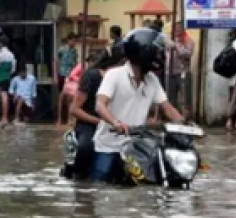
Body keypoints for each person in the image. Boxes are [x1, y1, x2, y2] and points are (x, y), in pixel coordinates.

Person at [91, 28, 187, 183]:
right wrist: (116, 123)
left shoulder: (152, 80)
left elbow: (167, 107)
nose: (161, 55)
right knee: (100, 185)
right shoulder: (114, 75)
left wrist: (185, 126)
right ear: (144, 51)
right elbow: (100, 105)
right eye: (157, 51)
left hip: (137, 146)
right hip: (109, 144)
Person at [63, 47, 123, 180]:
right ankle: (77, 174)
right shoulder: (92, 76)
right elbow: (74, 109)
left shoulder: (128, 80)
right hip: (90, 124)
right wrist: (99, 121)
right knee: (86, 148)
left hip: (117, 125)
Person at [167, 26, 195, 117]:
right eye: (175, 29)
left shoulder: (189, 41)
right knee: (171, 98)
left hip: (183, 72)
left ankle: (186, 117)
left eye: (179, 29)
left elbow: (186, 54)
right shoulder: (169, 41)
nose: (176, 31)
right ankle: (173, 117)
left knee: (185, 97)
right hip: (170, 72)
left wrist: (176, 46)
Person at [0, 36, 16, 125]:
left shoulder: (1, 54)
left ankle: (4, 118)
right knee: (6, 96)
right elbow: (13, 69)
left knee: (3, 96)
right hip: (7, 77)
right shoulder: (11, 54)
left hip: (1, 78)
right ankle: (5, 117)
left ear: (1, 44)